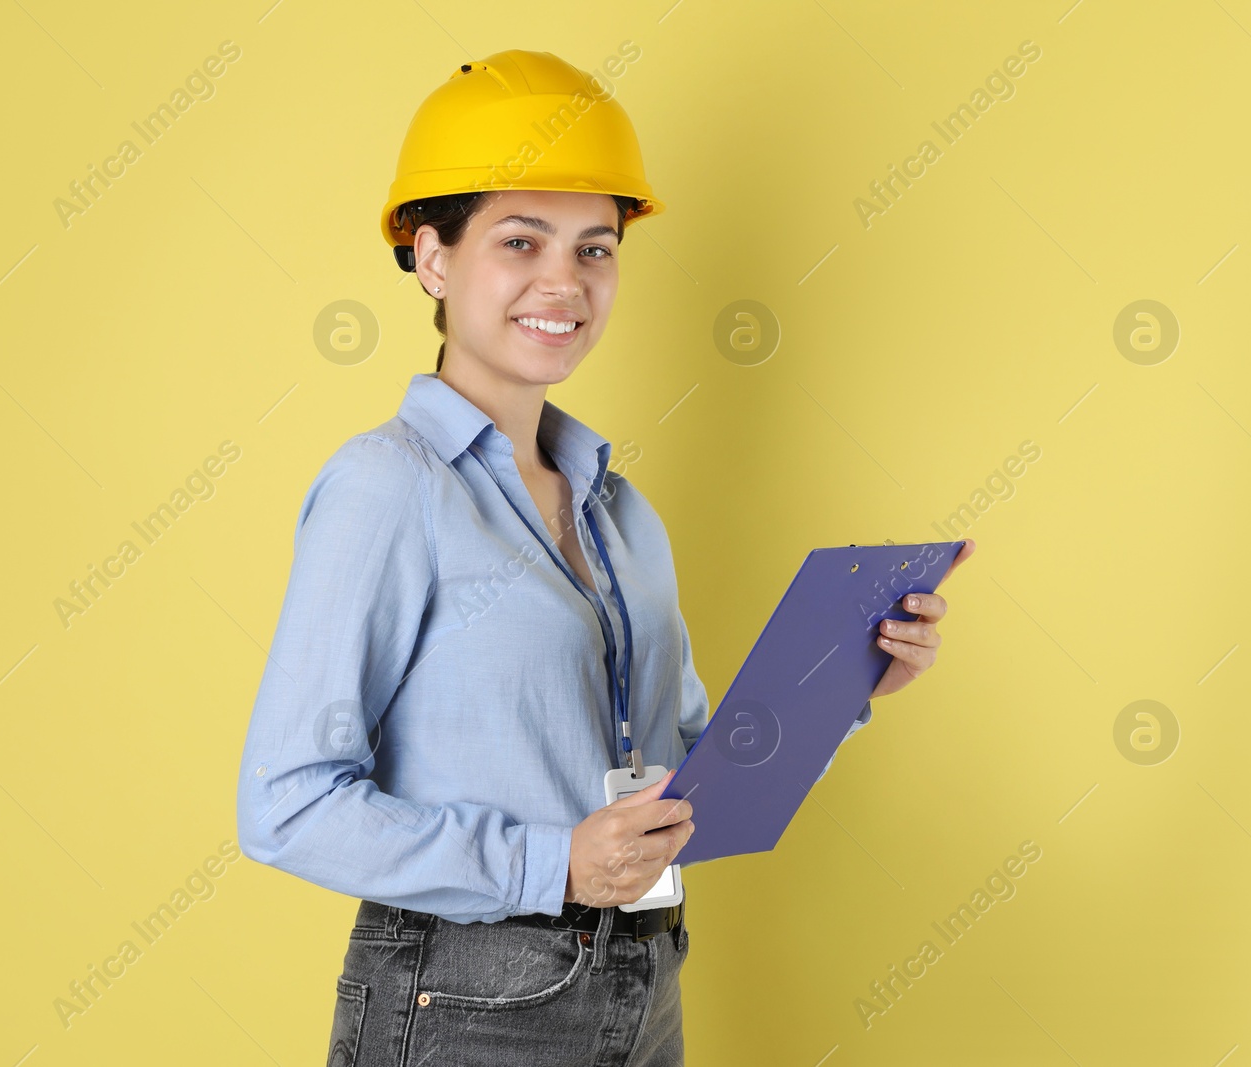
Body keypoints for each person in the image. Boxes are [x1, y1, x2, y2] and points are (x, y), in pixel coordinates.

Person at [235, 49, 972, 1067]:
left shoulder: (623, 514)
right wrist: (555, 861)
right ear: (431, 256)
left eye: (594, 248)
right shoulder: (388, 487)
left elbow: (694, 772)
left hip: (642, 981)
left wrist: (851, 678)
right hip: (464, 997)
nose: (564, 282)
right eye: (519, 240)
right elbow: (288, 803)